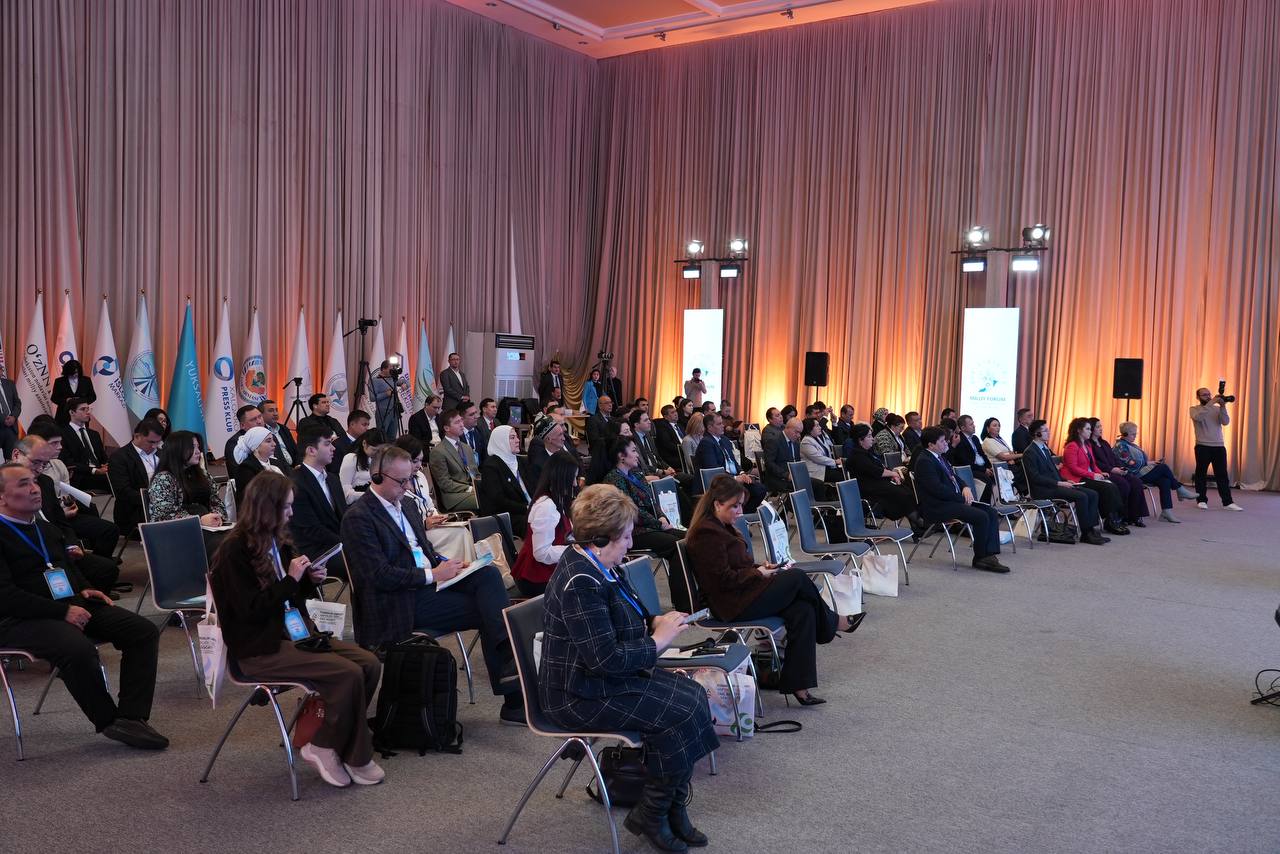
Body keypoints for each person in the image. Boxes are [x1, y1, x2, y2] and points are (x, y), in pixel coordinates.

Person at [539, 484, 718, 851]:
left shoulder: (598, 564)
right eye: (625, 537)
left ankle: (668, 807)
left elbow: (624, 616)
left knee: (694, 695)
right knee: (680, 712)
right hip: (576, 694)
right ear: (600, 539)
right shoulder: (580, 583)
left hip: (598, 679)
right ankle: (654, 811)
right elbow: (605, 659)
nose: (631, 543)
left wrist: (656, 621)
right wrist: (657, 641)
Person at [209, 471, 384, 787]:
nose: (291, 513)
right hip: (258, 647)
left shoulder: (278, 540)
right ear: (267, 508)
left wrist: (306, 580)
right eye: (286, 507)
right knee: (347, 673)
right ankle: (330, 746)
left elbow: (290, 597)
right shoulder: (235, 551)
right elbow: (251, 610)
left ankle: (335, 742)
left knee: (369, 664)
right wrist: (291, 579)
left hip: (296, 633)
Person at [340, 445, 522, 725]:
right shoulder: (359, 517)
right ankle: (513, 692)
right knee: (489, 609)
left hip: (428, 587)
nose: (407, 487)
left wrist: (450, 565)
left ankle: (508, 660)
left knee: (487, 575)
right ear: (377, 477)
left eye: (410, 479)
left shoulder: (408, 505)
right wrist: (433, 574)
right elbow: (378, 576)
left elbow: (425, 552)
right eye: (401, 481)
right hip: (397, 602)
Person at [0, 462, 167, 749]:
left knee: (143, 631)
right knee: (77, 649)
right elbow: (6, 597)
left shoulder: (45, 528)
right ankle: (108, 720)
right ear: (2, 497)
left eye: (34, 482)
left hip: (67, 605)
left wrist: (84, 587)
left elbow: (66, 567)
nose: (35, 489)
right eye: (24, 484)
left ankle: (131, 717)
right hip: (18, 620)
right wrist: (63, 611)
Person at [685, 475, 860, 704]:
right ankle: (833, 623)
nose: (740, 511)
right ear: (717, 504)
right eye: (735, 506)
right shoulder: (706, 533)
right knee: (797, 577)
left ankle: (799, 686)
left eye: (741, 505)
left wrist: (760, 568)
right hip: (730, 604)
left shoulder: (721, 527)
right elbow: (722, 581)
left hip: (742, 593)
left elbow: (737, 568)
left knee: (803, 609)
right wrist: (758, 573)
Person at [11, 437, 121, 593]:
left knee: (108, 570)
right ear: (16, 454)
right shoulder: (5, 484)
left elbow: (62, 522)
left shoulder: (45, 482)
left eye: (44, 464)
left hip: (57, 546)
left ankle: (88, 597)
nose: (40, 469)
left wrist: (72, 545)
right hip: (28, 551)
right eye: (36, 462)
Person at [912, 427, 1010, 573]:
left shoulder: (939, 456)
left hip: (951, 500)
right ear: (931, 445)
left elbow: (953, 476)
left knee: (990, 511)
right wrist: (961, 498)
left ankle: (989, 554)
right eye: (942, 441)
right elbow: (937, 489)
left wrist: (964, 487)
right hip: (937, 506)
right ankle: (980, 557)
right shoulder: (924, 461)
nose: (946, 443)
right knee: (981, 516)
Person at [602, 436, 684, 568]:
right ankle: (681, 582)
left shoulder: (637, 476)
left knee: (690, 538)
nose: (637, 455)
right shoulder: (613, 480)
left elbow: (652, 501)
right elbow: (631, 511)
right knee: (677, 545)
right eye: (634, 451)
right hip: (632, 532)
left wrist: (662, 517)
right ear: (621, 456)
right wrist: (658, 524)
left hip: (651, 526)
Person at [1021, 420, 1106, 544]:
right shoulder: (1030, 452)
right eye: (1045, 431)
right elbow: (1035, 477)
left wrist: (1065, 480)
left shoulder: (1044, 448)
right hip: (1042, 490)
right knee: (1082, 496)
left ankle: (1091, 529)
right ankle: (1086, 533)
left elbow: (1053, 472)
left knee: (1093, 494)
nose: (1049, 433)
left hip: (1054, 485)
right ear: (1036, 434)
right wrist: (1059, 483)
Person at [394, 435, 473, 561]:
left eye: (420, 460)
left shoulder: (420, 476)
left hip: (432, 526)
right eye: (414, 461)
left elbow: (430, 504)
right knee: (460, 533)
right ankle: (461, 567)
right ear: (401, 460)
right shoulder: (395, 484)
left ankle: (463, 567)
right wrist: (424, 524)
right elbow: (400, 523)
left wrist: (437, 518)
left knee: (461, 529)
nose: (419, 465)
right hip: (416, 534)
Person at [511, 451, 578, 597]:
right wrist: (574, 550)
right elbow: (541, 553)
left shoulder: (558, 500)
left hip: (548, 571)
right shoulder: (546, 507)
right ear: (561, 477)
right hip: (535, 578)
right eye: (573, 477)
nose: (575, 483)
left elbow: (565, 536)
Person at [288, 425, 349, 576]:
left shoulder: (333, 479)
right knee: (365, 562)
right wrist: (347, 543)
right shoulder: (296, 483)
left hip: (339, 544)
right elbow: (311, 529)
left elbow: (344, 516)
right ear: (311, 450)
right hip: (316, 551)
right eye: (327, 444)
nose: (333, 448)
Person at [846, 423, 923, 531]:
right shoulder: (857, 455)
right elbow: (876, 471)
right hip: (867, 488)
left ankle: (917, 524)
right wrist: (893, 474)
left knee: (907, 490)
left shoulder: (866, 452)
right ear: (860, 440)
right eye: (869, 436)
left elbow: (881, 467)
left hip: (876, 483)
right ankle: (919, 523)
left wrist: (892, 475)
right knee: (902, 494)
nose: (873, 439)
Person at [1114, 421, 1195, 523]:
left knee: (1165, 481)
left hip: (1140, 472)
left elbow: (1139, 461)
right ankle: (1179, 489)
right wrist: (1146, 464)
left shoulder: (1130, 444)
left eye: (1135, 434)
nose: (1135, 436)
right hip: (1132, 475)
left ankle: (1166, 512)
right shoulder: (1120, 446)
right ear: (1125, 434)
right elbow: (1131, 463)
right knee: (1163, 468)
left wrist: (1151, 463)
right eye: (1133, 434)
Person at [1060, 418, 1129, 535]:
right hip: (1076, 479)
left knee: (1112, 485)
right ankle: (1111, 521)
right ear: (1079, 430)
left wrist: (1099, 473)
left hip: (1086, 476)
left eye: (1090, 429)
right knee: (1107, 488)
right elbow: (1073, 468)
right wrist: (1093, 475)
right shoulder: (1072, 446)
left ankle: (1114, 518)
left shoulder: (1087, 445)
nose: (1090, 431)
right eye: (1087, 429)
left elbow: (1092, 464)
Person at [147, 430, 226, 528]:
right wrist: (199, 520)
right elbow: (164, 515)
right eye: (192, 447)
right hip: (179, 531)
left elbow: (216, 502)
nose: (198, 452)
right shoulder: (163, 479)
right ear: (177, 450)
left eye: (198, 447)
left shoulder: (203, 474)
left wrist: (217, 516)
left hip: (208, 527)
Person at [694, 412, 764, 511]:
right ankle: (737, 515)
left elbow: (733, 461)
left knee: (760, 489)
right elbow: (713, 470)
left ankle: (740, 514)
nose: (723, 426)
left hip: (732, 478)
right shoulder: (706, 443)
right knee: (755, 491)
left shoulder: (724, 439)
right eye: (719, 424)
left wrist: (742, 473)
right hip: (719, 483)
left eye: (722, 423)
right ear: (710, 427)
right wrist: (735, 478)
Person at [1086, 417, 1149, 527]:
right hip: (1103, 472)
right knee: (1123, 485)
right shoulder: (1089, 445)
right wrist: (1111, 469)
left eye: (1101, 426)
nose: (1101, 429)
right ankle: (1120, 516)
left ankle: (1134, 516)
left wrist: (1120, 467)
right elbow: (1094, 463)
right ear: (1091, 429)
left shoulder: (1104, 443)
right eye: (1098, 427)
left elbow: (1114, 458)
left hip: (1114, 470)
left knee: (1136, 482)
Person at [107, 418, 164, 536]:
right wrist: (154, 499)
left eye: (158, 442)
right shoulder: (120, 457)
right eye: (151, 442)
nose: (155, 446)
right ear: (137, 436)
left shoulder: (161, 454)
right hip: (135, 512)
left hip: (162, 505)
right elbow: (123, 492)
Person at [1190, 386, 1242, 511]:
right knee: (1201, 474)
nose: (1208, 396)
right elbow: (1198, 418)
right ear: (1198, 397)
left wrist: (1223, 406)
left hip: (1219, 446)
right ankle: (1201, 500)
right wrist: (1211, 402)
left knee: (1222, 475)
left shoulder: (1217, 409)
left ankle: (1227, 502)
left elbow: (1225, 422)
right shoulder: (1194, 409)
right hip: (1202, 446)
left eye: (1209, 394)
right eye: (1204, 395)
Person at [478, 425, 532, 534]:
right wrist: (526, 508)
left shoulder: (521, 461)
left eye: (516, 437)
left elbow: (534, 486)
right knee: (538, 523)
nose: (517, 440)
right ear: (500, 442)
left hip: (529, 509)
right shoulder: (491, 466)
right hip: (506, 515)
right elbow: (499, 500)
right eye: (512, 438)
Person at [429, 410, 480, 512]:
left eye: (461, 420)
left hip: (473, 490)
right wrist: (470, 488)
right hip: (455, 497)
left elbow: (476, 473)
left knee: (496, 494)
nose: (462, 425)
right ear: (446, 428)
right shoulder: (438, 451)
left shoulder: (466, 448)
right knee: (487, 499)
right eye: (457, 422)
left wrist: (483, 485)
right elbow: (445, 483)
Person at [58, 398, 110, 491]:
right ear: (72, 412)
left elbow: (103, 457)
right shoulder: (62, 434)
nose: (88, 412)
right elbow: (68, 462)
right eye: (83, 409)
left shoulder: (94, 434)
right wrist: (94, 470)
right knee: (117, 481)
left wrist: (107, 466)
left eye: (88, 409)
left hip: (100, 472)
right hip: (81, 476)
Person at [948, 415, 993, 501]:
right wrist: (984, 470)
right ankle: (984, 505)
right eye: (971, 424)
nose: (974, 426)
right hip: (970, 469)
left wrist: (989, 466)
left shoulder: (975, 438)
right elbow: (965, 461)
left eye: (973, 423)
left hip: (982, 466)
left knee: (997, 475)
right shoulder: (959, 439)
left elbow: (983, 454)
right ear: (963, 428)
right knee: (987, 480)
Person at [232, 425, 285, 500]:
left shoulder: (275, 462)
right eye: (268, 441)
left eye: (273, 440)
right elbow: (252, 498)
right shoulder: (246, 468)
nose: (274, 444)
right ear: (256, 446)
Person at [979, 417, 1022, 502]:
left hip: (1007, 466)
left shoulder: (999, 439)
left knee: (1023, 469)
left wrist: (1011, 457)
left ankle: (1021, 495)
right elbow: (1003, 457)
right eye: (995, 425)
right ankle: (1022, 494)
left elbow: (1010, 452)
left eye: (999, 425)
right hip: (998, 469)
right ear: (987, 428)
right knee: (1020, 473)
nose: (998, 427)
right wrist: (1021, 455)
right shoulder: (988, 441)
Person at [339, 428, 386, 505]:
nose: (378, 454)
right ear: (364, 443)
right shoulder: (351, 458)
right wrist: (373, 496)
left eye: (380, 451)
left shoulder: (375, 459)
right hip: (357, 505)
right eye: (374, 450)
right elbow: (345, 494)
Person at [526, 418, 572, 489]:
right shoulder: (539, 465)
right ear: (548, 439)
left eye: (562, 434)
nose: (564, 438)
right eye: (559, 435)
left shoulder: (566, 454)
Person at [223, 404, 264, 481]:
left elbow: (281, 462)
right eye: (253, 419)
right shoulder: (234, 443)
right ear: (242, 425)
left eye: (260, 417)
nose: (259, 421)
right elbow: (239, 474)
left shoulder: (269, 437)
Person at [371, 360, 411, 439]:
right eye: (391, 368)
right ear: (383, 369)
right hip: (383, 412)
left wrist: (405, 385)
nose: (393, 370)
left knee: (392, 437)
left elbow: (407, 382)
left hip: (394, 412)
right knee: (382, 437)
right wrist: (385, 394)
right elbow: (372, 397)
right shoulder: (375, 381)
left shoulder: (393, 379)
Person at [799, 416, 842, 489]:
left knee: (844, 472)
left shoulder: (817, 438)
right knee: (841, 476)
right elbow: (818, 458)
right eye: (817, 426)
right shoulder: (806, 441)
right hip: (817, 472)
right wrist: (835, 462)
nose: (820, 428)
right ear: (810, 429)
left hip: (826, 468)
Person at [762, 416, 801, 494]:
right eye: (796, 432)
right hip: (777, 478)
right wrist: (786, 475)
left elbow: (797, 461)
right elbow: (769, 463)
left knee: (818, 484)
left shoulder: (796, 443)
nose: (799, 435)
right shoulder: (774, 440)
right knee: (804, 486)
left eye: (800, 433)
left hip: (794, 477)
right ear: (787, 428)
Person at [51, 360, 97, 424]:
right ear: (67, 371)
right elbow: (54, 398)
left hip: (82, 416)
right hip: (63, 416)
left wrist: (80, 400)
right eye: (73, 372)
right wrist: (66, 400)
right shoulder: (59, 381)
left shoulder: (86, 380)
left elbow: (93, 397)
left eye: (77, 372)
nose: (76, 374)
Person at [331, 409, 371, 476]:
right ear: (352, 424)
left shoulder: (366, 443)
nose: (367, 428)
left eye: (368, 425)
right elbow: (335, 472)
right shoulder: (337, 444)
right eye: (364, 425)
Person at [260, 399, 298, 468]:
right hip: (277, 469)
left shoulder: (284, 429)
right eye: (271, 411)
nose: (275, 413)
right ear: (261, 415)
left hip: (294, 468)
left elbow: (295, 451)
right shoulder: (261, 432)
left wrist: (298, 466)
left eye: (276, 410)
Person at [653, 404, 686, 471]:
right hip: (675, 456)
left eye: (675, 411)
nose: (676, 414)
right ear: (666, 417)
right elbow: (668, 444)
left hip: (684, 453)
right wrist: (683, 449)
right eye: (672, 412)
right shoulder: (662, 427)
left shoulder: (680, 426)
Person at [0, 373, 20, 460]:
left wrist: (13, 417)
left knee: (12, 461)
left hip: (11, 428)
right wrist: (3, 419)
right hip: (1, 423)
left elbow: (17, 403)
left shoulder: (10, 384)